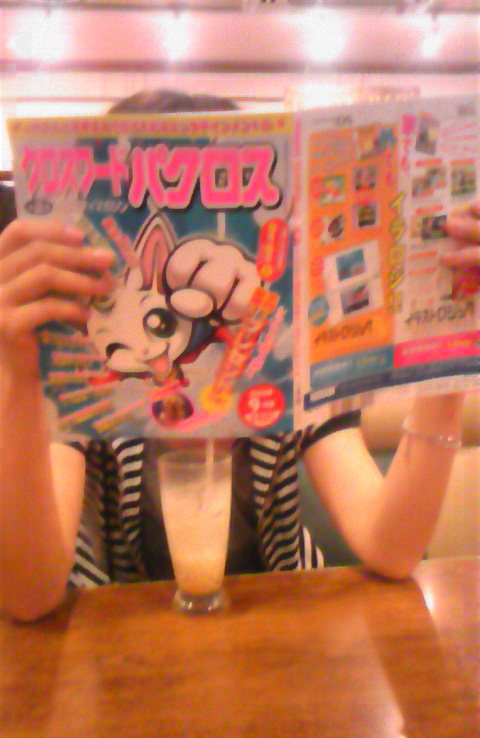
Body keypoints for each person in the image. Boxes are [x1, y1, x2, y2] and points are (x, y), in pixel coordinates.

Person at [0, 89, 479, 622]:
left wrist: (452, 352)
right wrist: (18, 376)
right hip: (127, 639)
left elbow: (391, 549)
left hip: (277, 630)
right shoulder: (86, 377)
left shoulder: (288, 360)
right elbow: (28, 594)